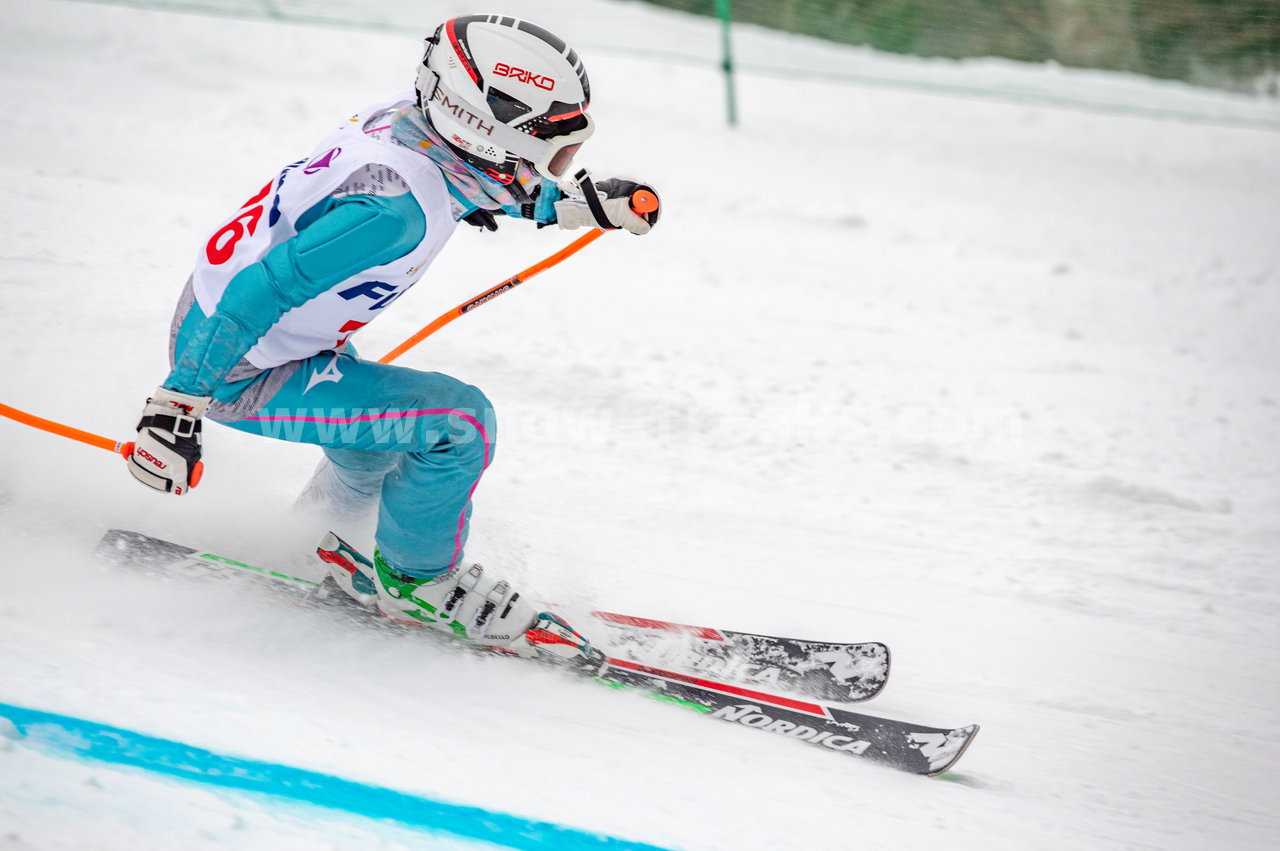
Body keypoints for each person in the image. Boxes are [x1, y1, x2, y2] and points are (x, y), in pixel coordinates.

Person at [124, 15, 659, 664]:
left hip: (250, 337)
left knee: (376, 440)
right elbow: (259, 289)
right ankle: (417, 582)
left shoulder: (412, 125)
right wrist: (179, 403)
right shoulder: (392, 213)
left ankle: (315, 538)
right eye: (553, 149)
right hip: (236, 363)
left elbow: (472, 180)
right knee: (459, 423)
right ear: (488, 130)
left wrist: (568, 204)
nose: (558, 165)